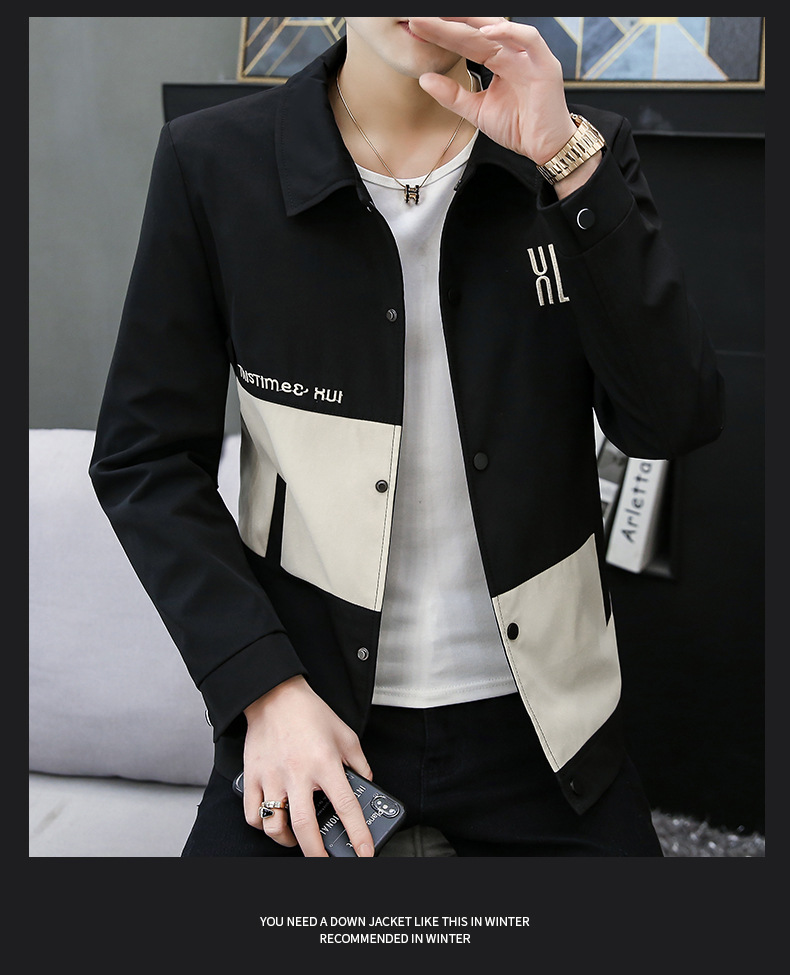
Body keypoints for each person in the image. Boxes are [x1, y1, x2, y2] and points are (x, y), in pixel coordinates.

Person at [89, 17, 724, 857]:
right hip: (312, 708)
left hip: (549, 734)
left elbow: (671, 419)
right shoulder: (211, 163)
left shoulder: (581, 150)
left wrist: (568, 167)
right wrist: (264, 689)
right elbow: (144, 459)